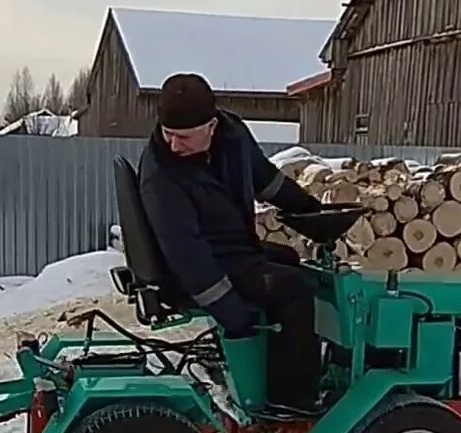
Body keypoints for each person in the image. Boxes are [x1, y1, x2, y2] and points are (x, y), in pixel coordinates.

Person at [138, 72, 324, 414]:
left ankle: (286, 363)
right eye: (168, 135)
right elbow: (187, 257)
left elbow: (265, 179)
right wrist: (234, 318)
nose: (173, 145)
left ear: (211, 125)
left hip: (235, 248)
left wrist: (314, 212)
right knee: (296, 289)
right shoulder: (161, 176)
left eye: (184, 137)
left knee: (290, 260)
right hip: (202, 265)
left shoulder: (233, 135)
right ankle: (289, 400)